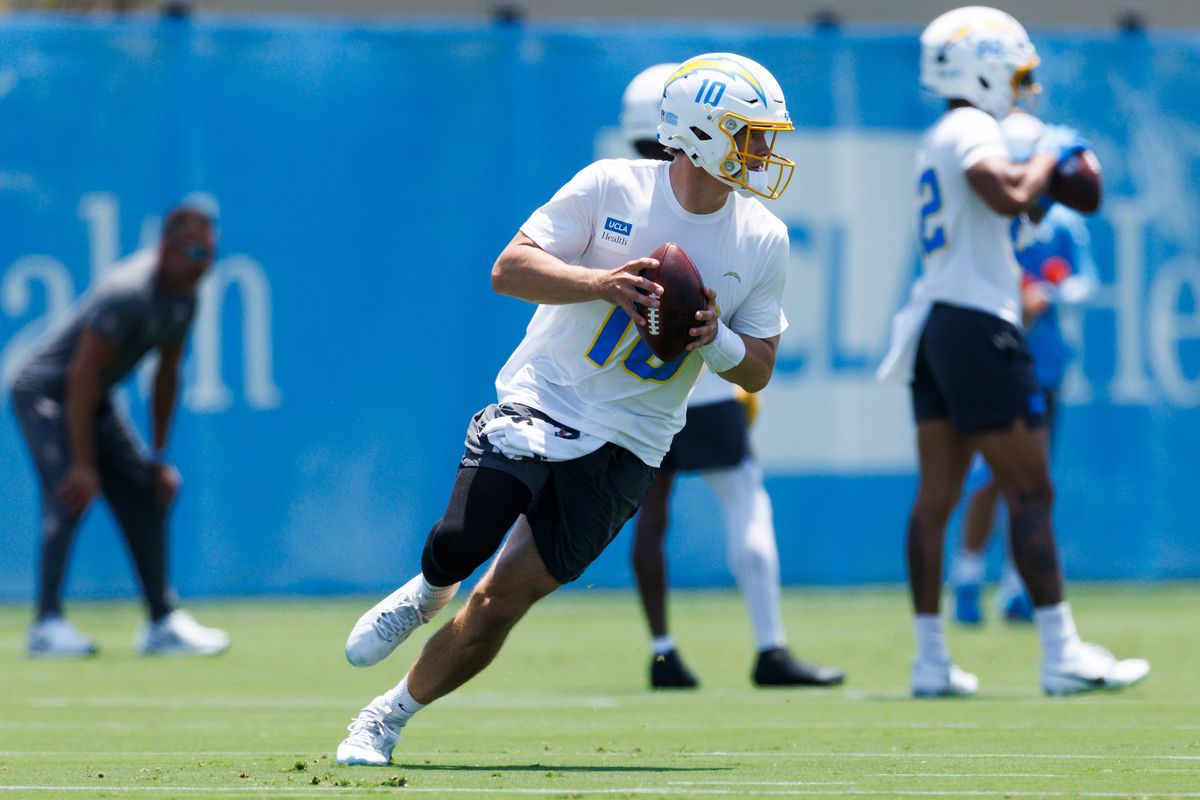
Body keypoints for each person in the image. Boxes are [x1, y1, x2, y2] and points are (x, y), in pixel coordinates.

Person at [336, 52, 798, 766]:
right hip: (544, 399)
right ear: (704, 133)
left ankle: (383, 718)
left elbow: (761, 369)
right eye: (751, 134)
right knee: (464, 541)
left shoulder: (762, 238)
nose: (765, 151)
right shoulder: (612, 185)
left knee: (499, 605)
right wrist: (600, 281)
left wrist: (717, 340)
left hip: (633, 442)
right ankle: (428, 590)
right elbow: (508, 269)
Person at [877, 7, 1148, 697]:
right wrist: (1049, 158)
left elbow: (1009, 207)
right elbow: (1003, 194)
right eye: (1015, 70)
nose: (1022, 86)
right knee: (1031, 489)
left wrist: (1035, 180)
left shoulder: (940, 131)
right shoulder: (972, 126)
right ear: (984, 65)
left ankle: (930, 661)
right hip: (978, 321)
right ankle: (1061, 651)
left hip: (936, 321)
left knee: (935, 499)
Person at [619, 63, 844, 689]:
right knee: (745, 501)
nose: (757, 148)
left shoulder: (623, 191)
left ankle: (662, 648)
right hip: (706, 384)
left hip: (642, 386)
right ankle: (770, 645)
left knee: (650, 515)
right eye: (746, 133)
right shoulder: (722, 214)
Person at [11, 204, 230, 659]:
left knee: (149, 492)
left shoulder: (187, 295)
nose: (202, 264)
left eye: (209, 253)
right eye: (193, 252)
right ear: (166, 248)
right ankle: (46, 626)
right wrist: (84, 464)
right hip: (47, 393)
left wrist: (157, 458)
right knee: (70, 492)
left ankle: (161, 623)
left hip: (91, 396)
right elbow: (81, 376)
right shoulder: (126, 292)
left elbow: (166, 377)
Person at [952, 125, 1099, 625]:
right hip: (994, 357)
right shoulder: (993, 214)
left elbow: (1083, 280)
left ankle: (1017, 586)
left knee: (1034, 481)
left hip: (1045, 364)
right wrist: (1019, 296)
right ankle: (967, 578)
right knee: (989, 475)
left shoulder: (1060, 224)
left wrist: (1051, 293)